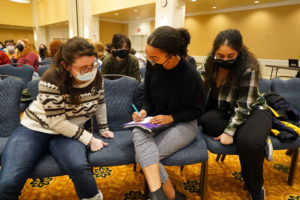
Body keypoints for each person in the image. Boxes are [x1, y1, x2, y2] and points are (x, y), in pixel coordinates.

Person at [0, 37, 114, 200]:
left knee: (79, 167)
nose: (89, 71)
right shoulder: (51, 79)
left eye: (93, 64)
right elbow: (57, 122)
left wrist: (103, 128)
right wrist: (89, 139)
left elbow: (100, 102)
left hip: (70, 130)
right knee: (8, 182)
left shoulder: (96, 75)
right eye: (83, 68)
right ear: (66, 66)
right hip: (35, 128)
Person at [131, 26, 205, 200]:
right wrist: (143, 111)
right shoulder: (152, 67)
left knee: (143, 155)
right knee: (137, 130)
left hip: (184, 123)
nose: (149, 61)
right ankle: (169, 196)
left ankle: (162, 195)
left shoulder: (191, 76)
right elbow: (148, 99)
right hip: (155, 119)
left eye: (154, 57)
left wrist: (172, 117)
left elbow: (199, 110)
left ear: (171, 56)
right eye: (147, 56)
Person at [200, 29, 272, 200]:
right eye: (221, 56)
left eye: (230, 56)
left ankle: (255, 188)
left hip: (253, 110)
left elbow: (244, 106)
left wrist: (229, 131)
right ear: (215, 52)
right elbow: (197, 80)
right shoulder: (210, 62)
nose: (225, 60)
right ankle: (262, 138)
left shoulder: (248, 68)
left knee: (249, 142)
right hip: (226, 110)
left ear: (239, 52)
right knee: (207, 121)